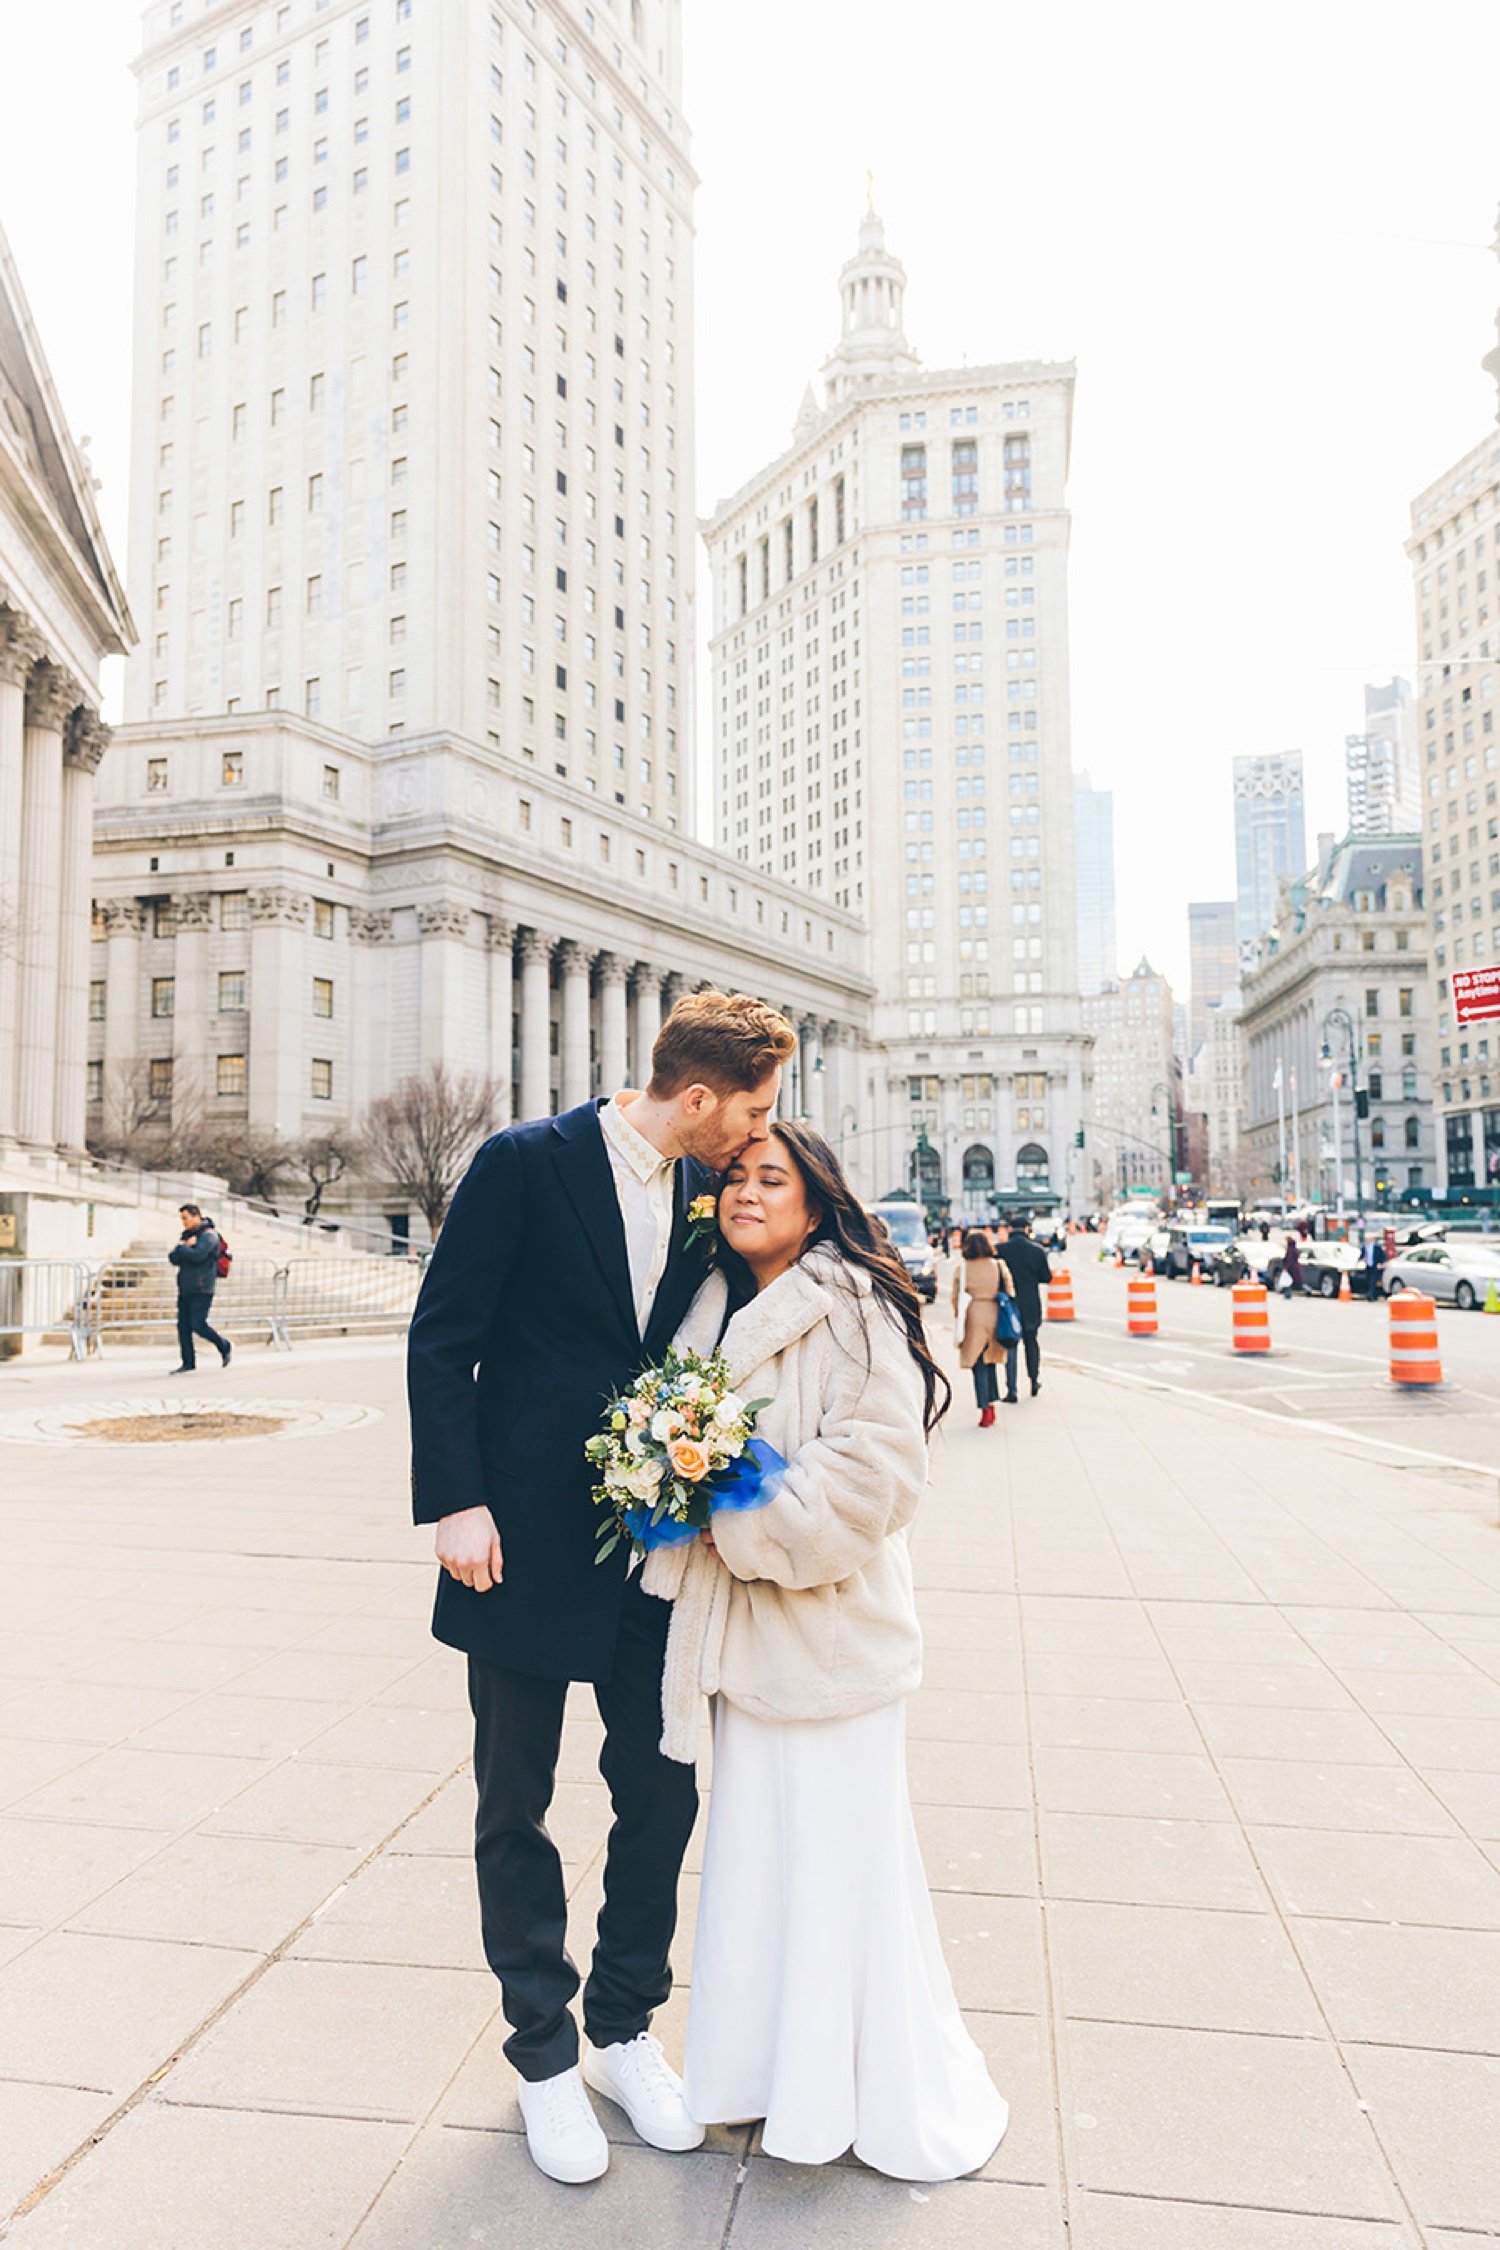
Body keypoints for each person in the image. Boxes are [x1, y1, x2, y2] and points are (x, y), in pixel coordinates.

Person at [405, 989, 797, 2187]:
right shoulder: (523, 1163)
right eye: (756, 1110)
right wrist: (452, 1500)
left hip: (656, 1541)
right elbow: (443, 1334)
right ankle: (539, 2056)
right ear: (697, 1099)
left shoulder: (706, 1195)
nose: (760, 1134)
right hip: (514, 1535)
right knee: (513, 1801)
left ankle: (624, 2028)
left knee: (661, 1789)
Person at [644, 1123, 1008, 2180]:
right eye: (735, 1179)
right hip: (745, 1644)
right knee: (760, 1869)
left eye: (774, 1179)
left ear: (819, 1201)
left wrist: (739, 1515)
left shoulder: (852, 1301)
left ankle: (858, 2094)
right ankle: (764, 2082)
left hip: (833, 1639)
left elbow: (881, 1476)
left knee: (842, 1870)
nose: (747, 1193)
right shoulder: (712, 1303)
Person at [950, 1227, 1014, 1426]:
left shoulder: (963, 1268)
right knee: (991, 1360)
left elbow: (955, 1297)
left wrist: (959, 1314)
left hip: (973, 1314)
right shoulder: (998, 1264)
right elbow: (1011, 1290)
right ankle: (992, 1404)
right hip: (995, 1313)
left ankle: (985, 1408)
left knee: (978, 1364)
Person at [168, 1204, 231, 1374]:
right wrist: (184, 1247)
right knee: (183, 1327)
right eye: (182, 1218)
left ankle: (223, 1345)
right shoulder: (188, 1236)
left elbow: (198, 1256)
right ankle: (188, 1362)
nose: (183, 1222)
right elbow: (173, 1258)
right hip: (186, 1287)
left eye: (185, 1218)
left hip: (202, 1287)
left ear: (196, 1216)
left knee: (198, 1324)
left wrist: (183, 1248)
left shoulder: (209, 1236)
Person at [1002, 1214, 1053, 1399]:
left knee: (1011, 1346)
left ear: (1010, 1229)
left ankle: (1012, 1389)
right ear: (1027, 1229)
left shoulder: (1000, 1250)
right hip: (1031, 1303)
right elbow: (1046, 1277)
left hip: (1008, 1304)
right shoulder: (1037, 1251)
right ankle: (1033, 1380)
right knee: (1031, 1343)